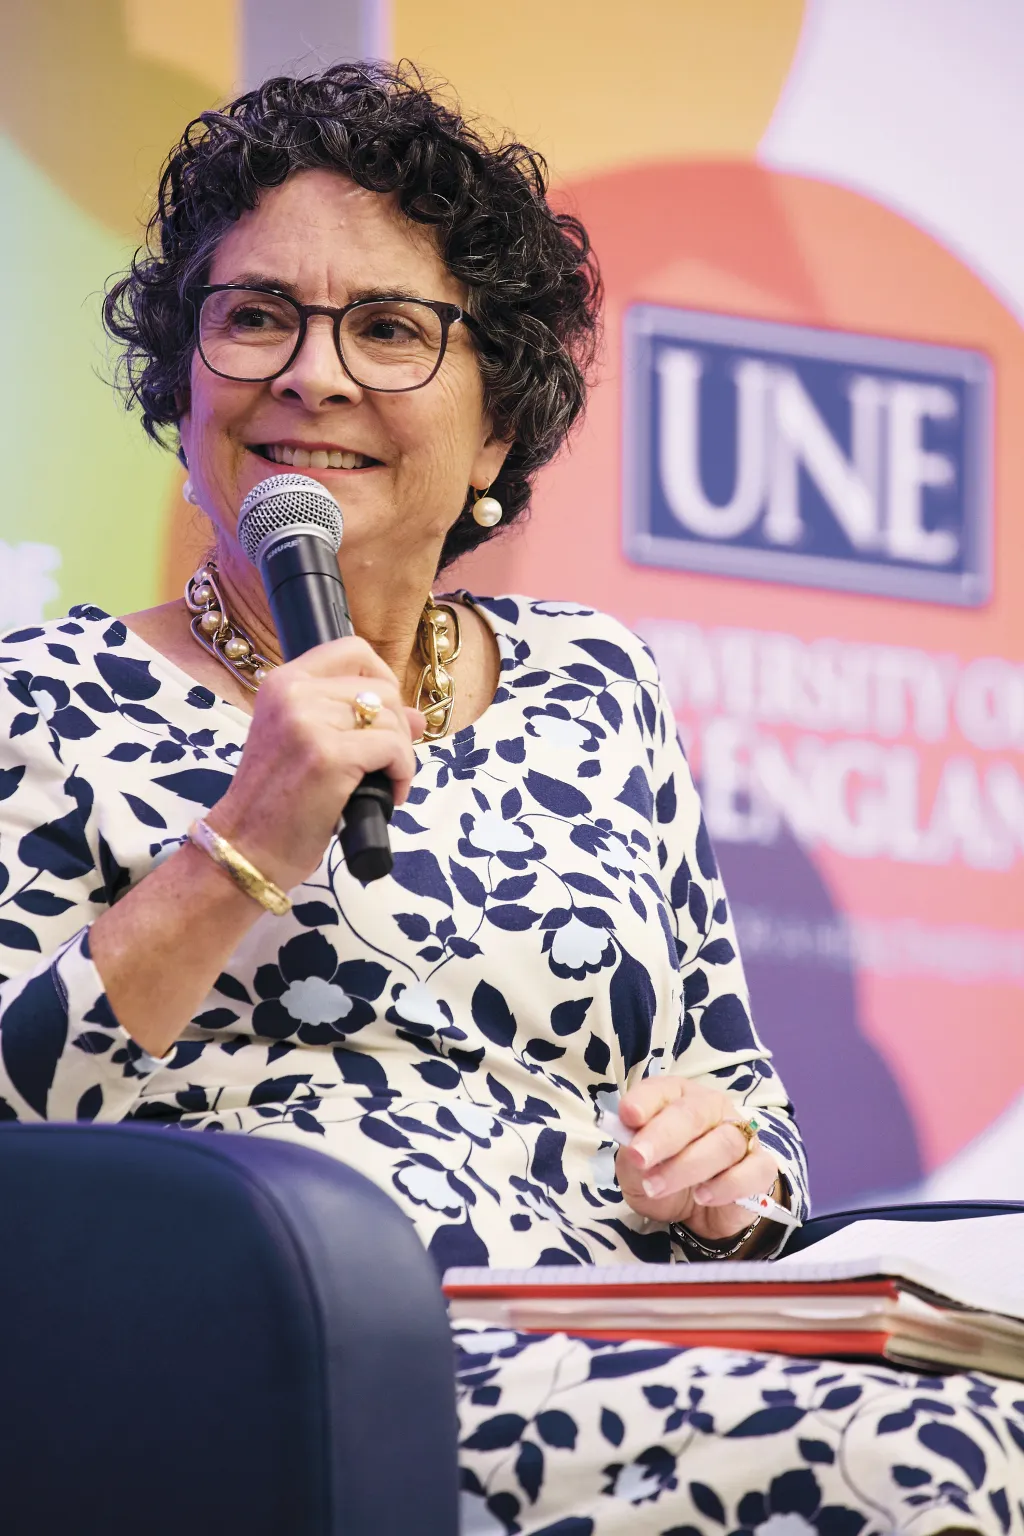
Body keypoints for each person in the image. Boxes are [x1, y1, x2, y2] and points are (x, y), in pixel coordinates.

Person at [0, 62, 1019, 1536]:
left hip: (627, 1346)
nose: (314, 372)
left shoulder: (599, 686)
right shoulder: (39, 697)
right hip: (275, 1367)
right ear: (184, 381)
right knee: (938, 1463)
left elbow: (742, 1106)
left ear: (494, 437)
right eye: (256, 316)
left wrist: (722, 1171)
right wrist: (241, 841)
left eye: (392, 331)